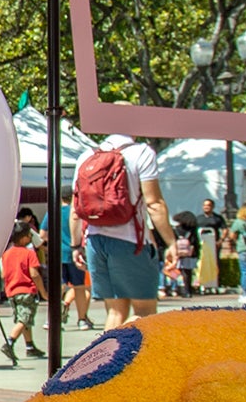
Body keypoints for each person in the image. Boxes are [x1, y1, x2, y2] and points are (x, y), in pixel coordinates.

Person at [70, 132, 178, 330]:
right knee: (145, 313)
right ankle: (131, 359)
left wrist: (76, 245)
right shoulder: (142, 153)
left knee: (115, 312)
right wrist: (171, 242)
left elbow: (75, 210)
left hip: (95, 241)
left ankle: (106, 359)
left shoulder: (86, 156)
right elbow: (154, 203)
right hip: (130, 241)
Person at [43, 184, 92, 330]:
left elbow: (42, 234)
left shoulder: (52, 212)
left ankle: (51, 319)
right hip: (75, 253)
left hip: (57, 254)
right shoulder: (76, 212)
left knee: (59, 287)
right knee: (79, 287)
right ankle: (82, 319)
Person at [0, 221, 47, 364]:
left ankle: (30, 345)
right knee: (24, 319)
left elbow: (3, 274)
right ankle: (9, 342)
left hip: (12, 291)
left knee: (23, 318)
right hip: (26, 290)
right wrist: (43, 292)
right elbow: (34, 274)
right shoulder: (29, 254)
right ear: (24, 237)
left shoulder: (6, 254)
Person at [195, 198, 226, 293]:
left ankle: (214, 283)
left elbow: (225, 229)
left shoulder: (218, 218)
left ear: (212, 207)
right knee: (201, 264)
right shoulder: (199, 218)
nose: (206, 207)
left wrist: (220, 241)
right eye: (204, 205)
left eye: (208, 205)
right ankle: (202, 284)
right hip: (202, 245)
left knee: (214, 264)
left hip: (214, 245)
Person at [171, 210, 199, 299]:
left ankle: (176, 289)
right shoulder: (192, 230)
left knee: (176, 272)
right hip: (188, 254)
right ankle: (188, 290)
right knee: (188, 272)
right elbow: (195, 242)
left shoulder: (176, 229)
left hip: (177, 253)